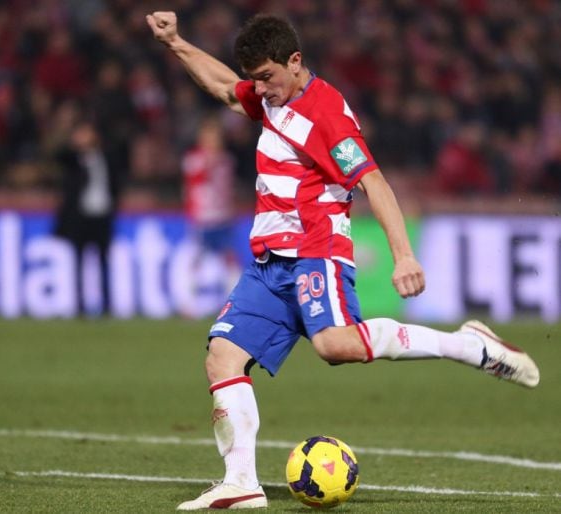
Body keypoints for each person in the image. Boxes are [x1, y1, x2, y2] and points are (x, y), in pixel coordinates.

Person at [146, 11, 540, 511]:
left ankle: (464, 344)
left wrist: (403, 256)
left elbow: (374, 182)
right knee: (222, 357)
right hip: (269, 262)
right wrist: (176, 42)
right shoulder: (272, 97)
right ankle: (241, 480)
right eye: (256, 79)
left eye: (267, 77)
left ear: (295, 61)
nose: (259, 89)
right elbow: (226, 87)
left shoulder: (325, 115)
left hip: (316, 252)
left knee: (334, 346)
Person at [53, 118, 122, 316]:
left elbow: (115, 183)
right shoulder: (73, 159)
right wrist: (71, 142)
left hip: (102, 217)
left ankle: (107, 306)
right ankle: (80, 306)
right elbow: (57, 156)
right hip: (81, 219)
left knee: (103, 263)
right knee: (79, 263)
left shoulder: (106, 157)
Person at [182, 114, 241, 313]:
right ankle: (189, 304)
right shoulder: (194, 160)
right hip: (203, 219)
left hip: (223, 217)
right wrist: (209, 162)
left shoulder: (227, 160)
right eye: (209, 137)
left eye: (216, 137)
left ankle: (235, 304)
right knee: (197, 260)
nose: (213, 141)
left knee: (229, 259)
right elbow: (194, 182)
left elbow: (228, 189)